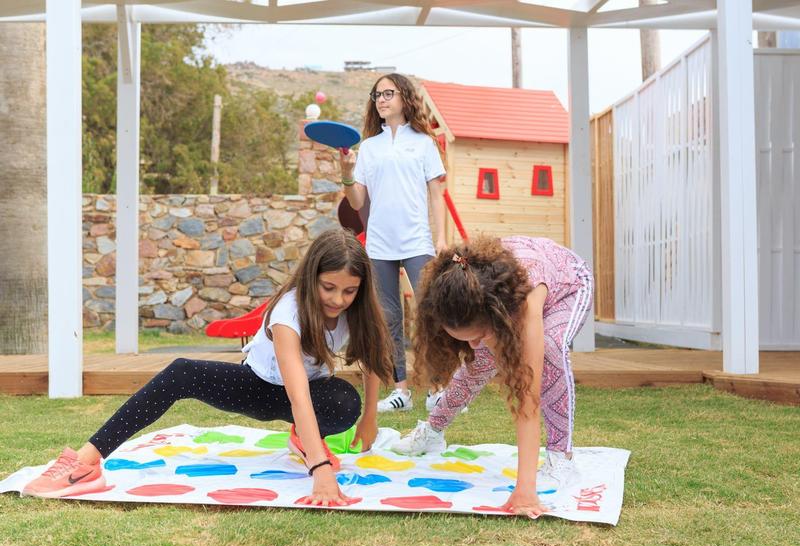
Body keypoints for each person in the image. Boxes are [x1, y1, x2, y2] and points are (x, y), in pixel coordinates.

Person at [24, 229, 394, 507]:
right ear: (312, 276)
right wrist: (320, 471)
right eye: (329, 288)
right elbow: (296, 394)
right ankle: (87, 459)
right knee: (181, 370)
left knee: (346, 401)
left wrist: (370, 418)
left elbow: (374, 360)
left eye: (349, 292)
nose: (337, 299)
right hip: (258, 386)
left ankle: (303, 438)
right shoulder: (288, 312)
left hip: (309, 397)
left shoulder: (358, 310)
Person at [392, 236, 594, 518]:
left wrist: (525, 488)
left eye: (479, 335)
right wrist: (482, 341)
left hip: (568, 283)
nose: (473, 344)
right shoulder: (465, 289)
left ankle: (561, 456)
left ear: (495, 315)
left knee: (550, 347)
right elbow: (477, 351)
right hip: (506, 299)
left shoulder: (524, 305)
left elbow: (528, 399)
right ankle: (433, 431)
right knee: (478, 363)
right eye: (467, 339)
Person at [339, 73, 447, 413]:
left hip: (418, 242)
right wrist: (346, 172)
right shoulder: (369, 147)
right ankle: (400, 390)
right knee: (388, 319)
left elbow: (436, 194)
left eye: (389, 93)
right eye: (377, 95)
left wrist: (442, 238)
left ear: (404, 98)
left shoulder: (424, 143)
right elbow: (357, 202)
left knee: (430, 315)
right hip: (380, 246)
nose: (382, 100)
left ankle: (436, 388)